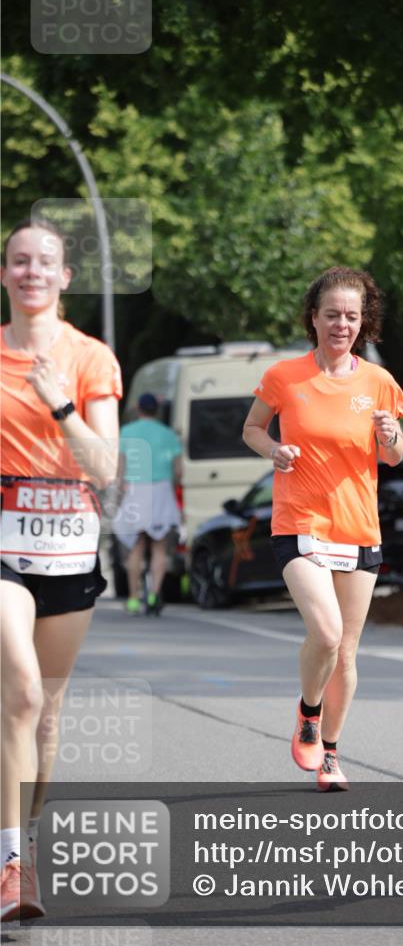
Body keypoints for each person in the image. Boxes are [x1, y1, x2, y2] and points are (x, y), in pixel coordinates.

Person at [243, 267, 403, 791]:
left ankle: (331, 755)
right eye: (332, 314)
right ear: (313, 318)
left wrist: (391, 434)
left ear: (364, 324)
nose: (342, 324)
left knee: (347, 652)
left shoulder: (379, 382)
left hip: (359, 528)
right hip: (300, 524)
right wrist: (275, 449)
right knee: (327, 632)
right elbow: (251, 428)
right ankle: (308, 712)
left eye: (352, 317)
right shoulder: (283, 377)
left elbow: (395, 456)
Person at [0, 218, 121, 921]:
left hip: (70, 545)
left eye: (44, 261)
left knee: (45, 713)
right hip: (4, 542)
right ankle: (11, 864)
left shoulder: (90, 357)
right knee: (18, 694)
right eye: (19, 261)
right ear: (6, 275)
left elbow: (104, 466)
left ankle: (29, 840)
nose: (31, 272)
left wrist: (61, 404)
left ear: (65, 276)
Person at [112, 392, 182, 615]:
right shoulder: (168, 434)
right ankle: (154, 594)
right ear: (156, 410)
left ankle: (133, 599)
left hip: (135, 490)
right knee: (160, 546)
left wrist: (119, 495)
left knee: (136, 546)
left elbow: (120, 469)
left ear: (138, 409)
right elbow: (178, 470)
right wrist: (172, 486)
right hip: (160, 489)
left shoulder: (126, 432)